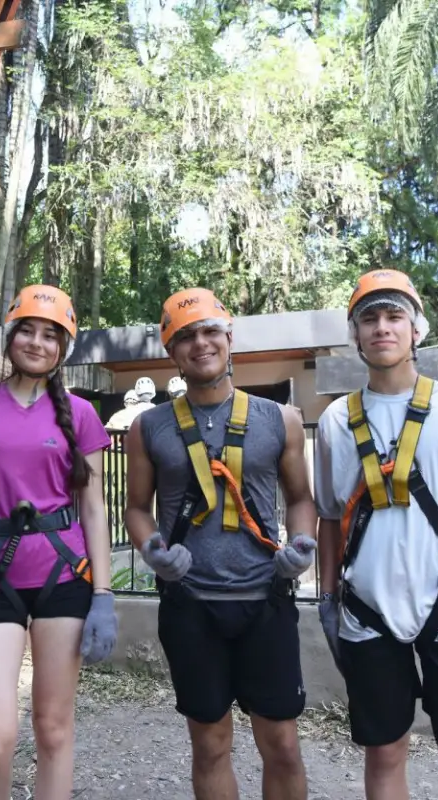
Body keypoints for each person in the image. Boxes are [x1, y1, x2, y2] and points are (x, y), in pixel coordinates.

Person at [313, 268, 438, 800]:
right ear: (354, 335)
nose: (382, 328)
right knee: (384, 755)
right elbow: (329, 519)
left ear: (416, 329)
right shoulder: (336, 421)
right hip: (369, 612)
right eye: (369, 318)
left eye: (394, 316)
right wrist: (327, 599)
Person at [123, 287, 317, 800]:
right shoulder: (148, 428)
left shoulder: (281, 420)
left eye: (210, 331)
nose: (200, 344)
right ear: (172, 352)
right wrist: (153, 552)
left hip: (265, 600)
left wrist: (301, 543)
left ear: (230, 338)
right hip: (190, 603)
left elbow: (301, 498)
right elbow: (136, 509)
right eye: (185, 337)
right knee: (210, 744)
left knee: (281, 744)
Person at [0, 284, 118, 800]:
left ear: (62, 348)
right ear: (10, 335)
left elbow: (93, 506)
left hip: (63, 577)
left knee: (54, 727)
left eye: (50, 335)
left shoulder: (81, 415)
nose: (37, 343)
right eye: (27, 330)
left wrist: (105, 595)